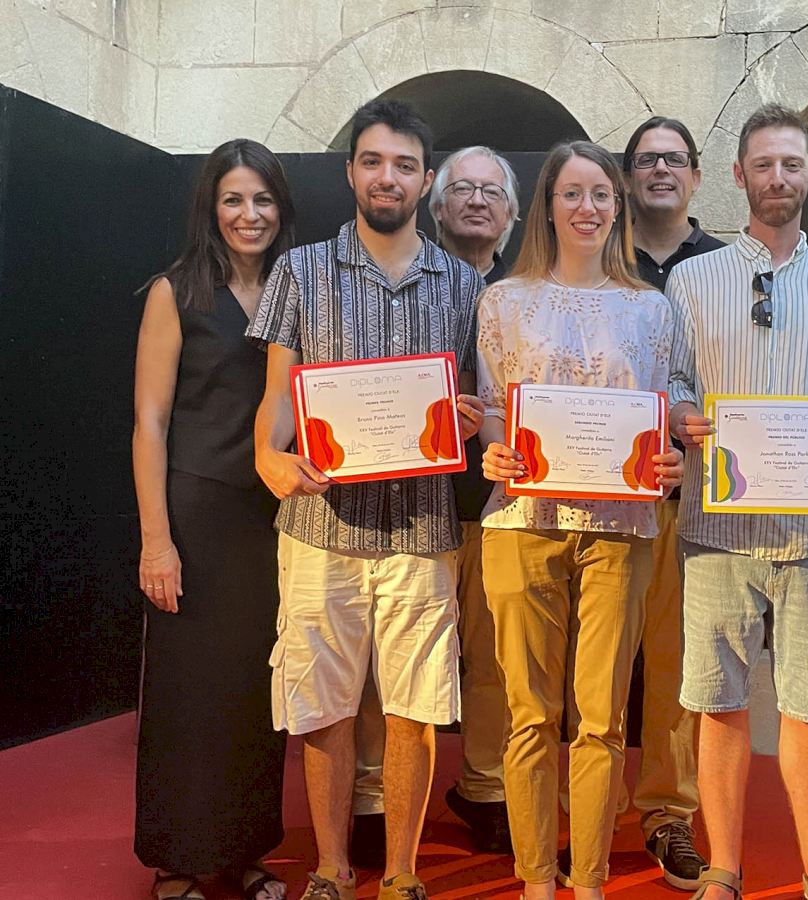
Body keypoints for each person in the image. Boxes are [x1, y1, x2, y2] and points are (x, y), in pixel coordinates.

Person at [247, 99, 485, 900]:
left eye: (405, 165)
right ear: (351, 170)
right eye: (374, 161)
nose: (389, 177)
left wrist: (467, 419)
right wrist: (267, 455)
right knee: (323, 708)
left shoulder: (464, 283)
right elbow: (278, 393)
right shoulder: (300, 270)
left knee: (417, 708)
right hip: (319, 525)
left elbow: (472, 400)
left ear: (426, 179)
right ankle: (330, 869)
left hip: (423, 527)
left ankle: (404, 873)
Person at [665, 104, 808, 900]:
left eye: (790, 164)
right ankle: (724, 868)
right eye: (763, 164)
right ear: (739, 175)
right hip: (717, 529)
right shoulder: (692, 281)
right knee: (719, 704)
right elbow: (672, 380)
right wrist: (681, 415)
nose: (777, 177)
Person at [476, 140, 684, 900]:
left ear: (618, 207)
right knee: (530, 716)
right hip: (522, 521)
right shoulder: (504, 302)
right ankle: (537, 880)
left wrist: (670, 459)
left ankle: (588, 880)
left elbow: (663, 415)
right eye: (572, 193)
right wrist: (495, 451)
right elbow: (493, 411)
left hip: (622, 529)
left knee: (602, 719)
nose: (587, 208)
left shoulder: (651, 308)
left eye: (601, 194)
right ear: (548, 206)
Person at [132, 138, 295, 900]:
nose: (248, 214)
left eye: (261, 199)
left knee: (256, 693)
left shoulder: (298, 290)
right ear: (211, 207)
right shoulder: (175, 291)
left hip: (274, 520)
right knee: (186, 695)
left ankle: (243, 852)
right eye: (233, 199)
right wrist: (155, 540)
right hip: (195, 516)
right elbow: (150, 422)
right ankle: (176, 862)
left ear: (280, 207)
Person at [350, 145, 522, 861]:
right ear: (435, 200)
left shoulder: (528, 291)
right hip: (408, 505)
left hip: (499, 505)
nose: (477, 201)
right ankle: (371, 793)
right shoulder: (402, 282)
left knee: (495, 657)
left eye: (492, 192)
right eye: (463, 189)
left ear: (512, 214)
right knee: (384, 661)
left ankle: (484, 786)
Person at [621, 116, 723, 890]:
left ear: (695, 175)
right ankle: (578, 809)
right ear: (627, 175)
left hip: (691, 500)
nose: (661, 170)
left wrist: (702, 460)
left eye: (674, 159)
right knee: (586, 668)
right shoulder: (594, 254)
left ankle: (667, 813)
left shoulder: (724, 268)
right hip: (598, 498)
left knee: (676, 668)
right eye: (647, 159)